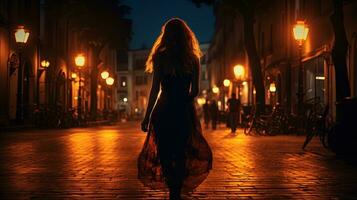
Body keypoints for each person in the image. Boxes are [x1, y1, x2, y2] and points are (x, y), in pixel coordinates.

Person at [138, 18, 212, 200]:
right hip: (183, 110)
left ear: (166, 35)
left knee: (164, 150)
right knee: (180, 150)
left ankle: (171, 182)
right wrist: (184, 99)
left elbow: (155, 89)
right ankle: (176, 190)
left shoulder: (161, 57)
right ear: (186, 36)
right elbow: (194, 90)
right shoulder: (193, 59)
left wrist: (147, 116)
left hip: (163, 109)